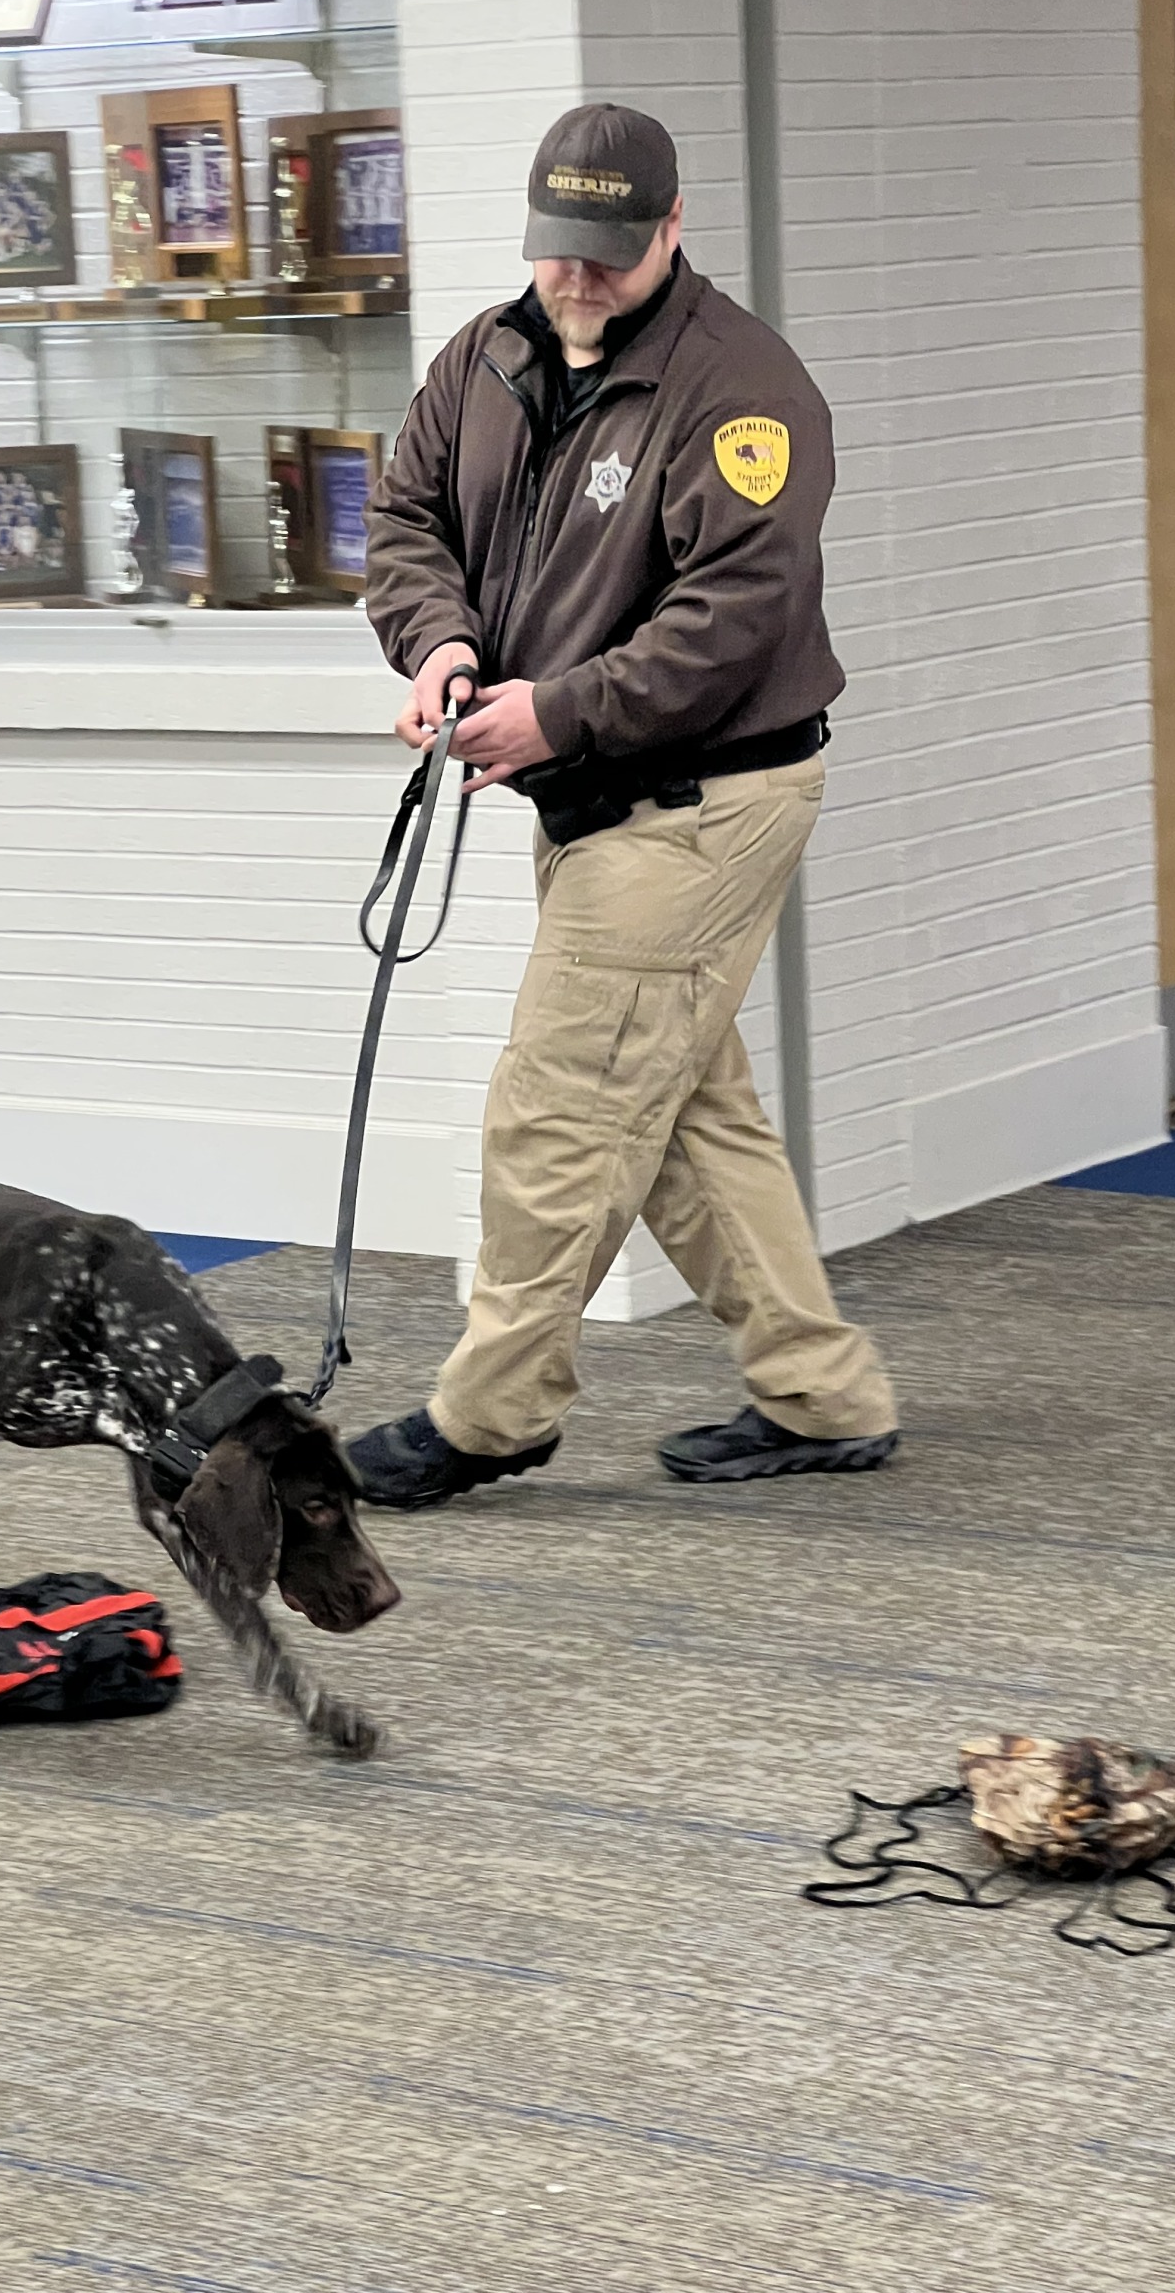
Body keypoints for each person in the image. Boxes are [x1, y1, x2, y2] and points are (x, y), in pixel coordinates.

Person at [348, 102, 900, 1510]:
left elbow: (733, 616)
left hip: (703, 799)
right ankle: (821, 1392)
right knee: (684, 1111)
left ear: (669, 230)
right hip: (590, 796)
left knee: (564, 1108)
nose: (577, 279)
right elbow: (407, 519)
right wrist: (446, 647)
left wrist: (561, 709)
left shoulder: (742, 390)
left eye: (608, 252)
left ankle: (491, 1413)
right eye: (558, 251)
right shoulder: (484, 357)